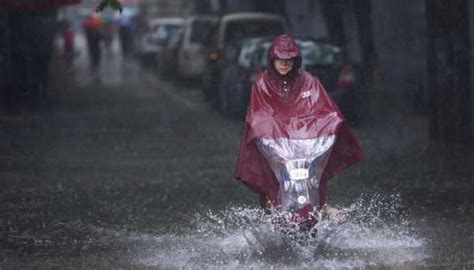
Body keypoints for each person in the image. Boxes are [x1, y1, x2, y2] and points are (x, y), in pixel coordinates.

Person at [234, 34, 363, 219]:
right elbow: (259, 115)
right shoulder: (262, 84)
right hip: (273, 144)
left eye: (290, 60)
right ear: (272, 59)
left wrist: (332, 123)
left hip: (305, 143)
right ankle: (272, 211)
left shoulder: (309, 81)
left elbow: (323, 108)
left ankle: (319, 207)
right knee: (271, 178)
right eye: (281, 59)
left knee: (314, 178)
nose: (285, 64)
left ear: (296, 60)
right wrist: (267, 132)